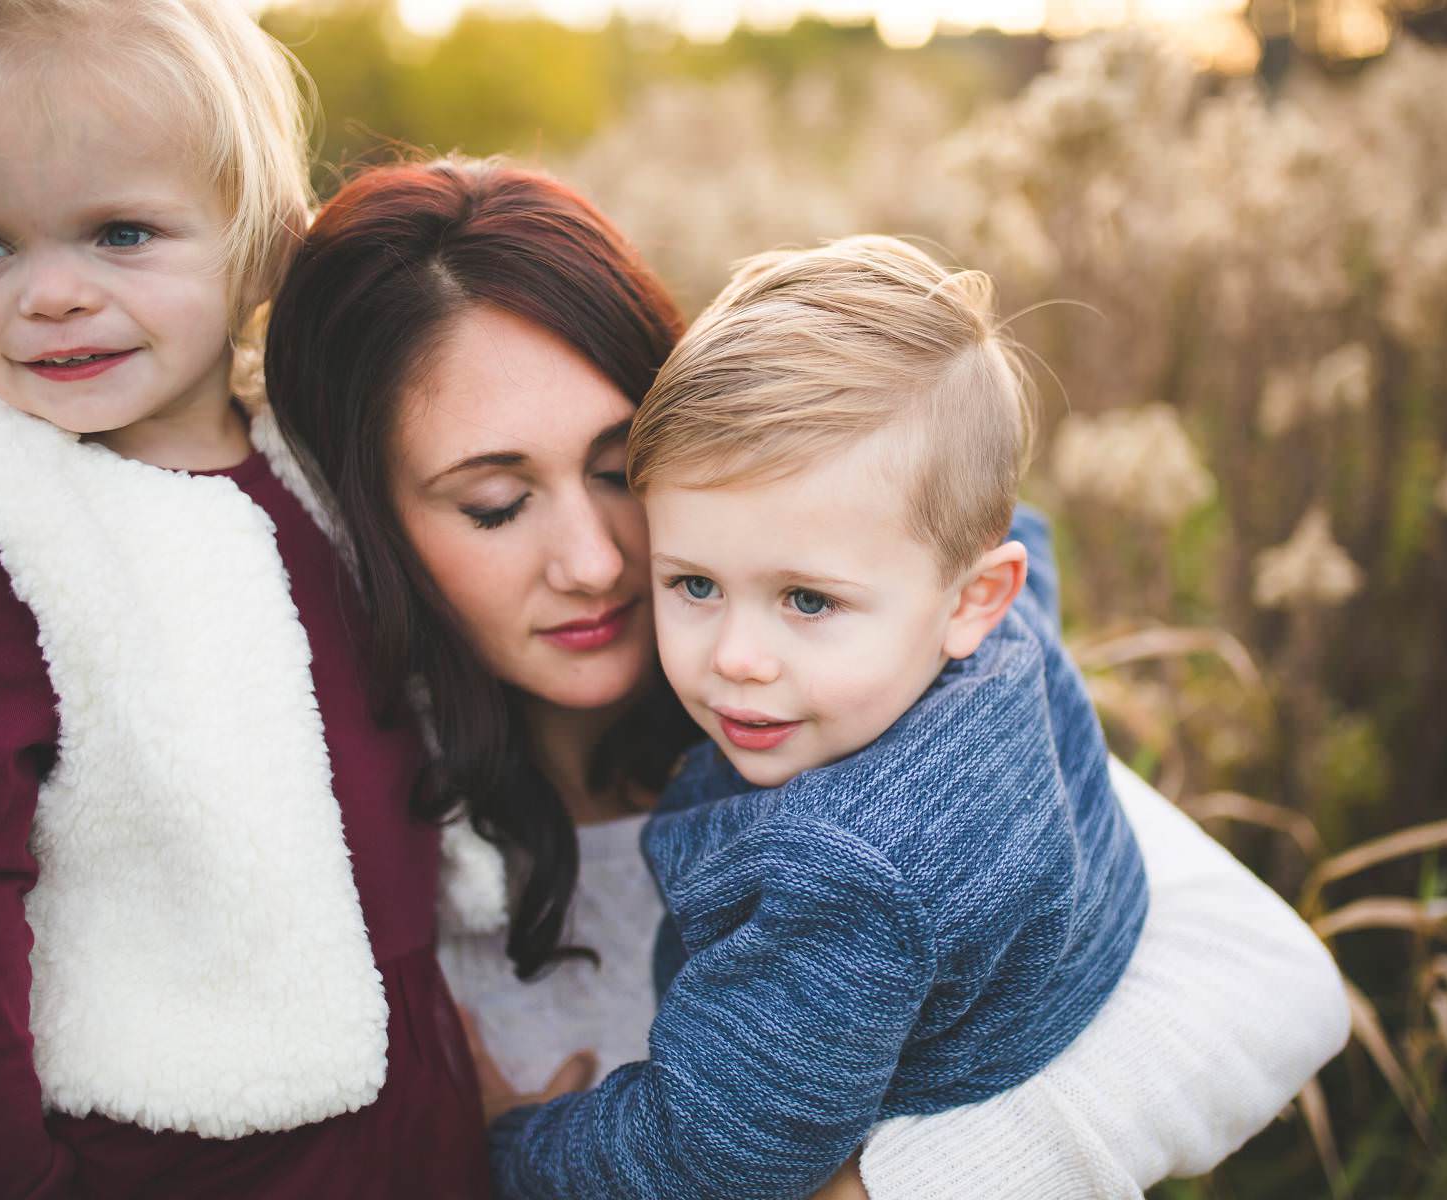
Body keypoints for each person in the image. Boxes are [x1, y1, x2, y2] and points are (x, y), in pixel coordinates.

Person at [263, 155, 1352, 1200]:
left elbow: (1275, 982)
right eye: (496, 503)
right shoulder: (332, 822)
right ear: (367, 521)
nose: (598, 563)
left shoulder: (882, 703)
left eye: (617, 471)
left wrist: (888, 1189)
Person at [0, 3, 488, 1196]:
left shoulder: (319, 472)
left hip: (411, 1113)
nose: (48, 295)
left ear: (257, 243)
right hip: (162, 1154)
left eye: (119, 232)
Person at [482, 234, 1149, 1199]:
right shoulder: (992, 616)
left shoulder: (842, 879)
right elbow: (1023, 534)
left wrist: (506, 1146)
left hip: (920, 1106)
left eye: (807, 601)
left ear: (972, 600)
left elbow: (705, 1153)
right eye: (696, 582)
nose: (736, 659)